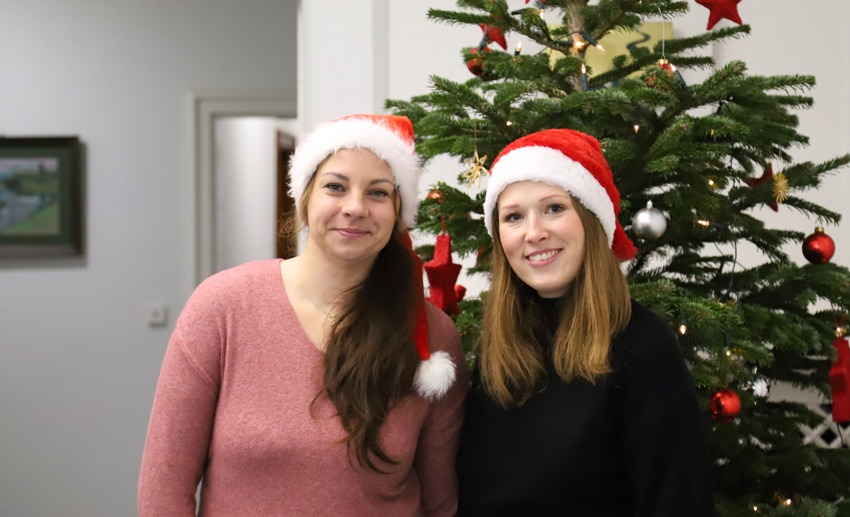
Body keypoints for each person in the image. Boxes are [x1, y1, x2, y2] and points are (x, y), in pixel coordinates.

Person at [138, 114, 468, 516]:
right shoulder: (222, 307)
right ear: (305, 197)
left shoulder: (431, 336)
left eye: (378, 193)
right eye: (335, 186)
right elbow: (163, 492)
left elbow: (441, 503)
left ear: (398, 211)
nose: (355, 207)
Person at [456, 128, 715, 516]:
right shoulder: (496, 348)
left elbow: (678, 503)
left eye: (554, 208)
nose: (534, 232)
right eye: (513, 217)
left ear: (591, 222)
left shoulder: (643, 346)